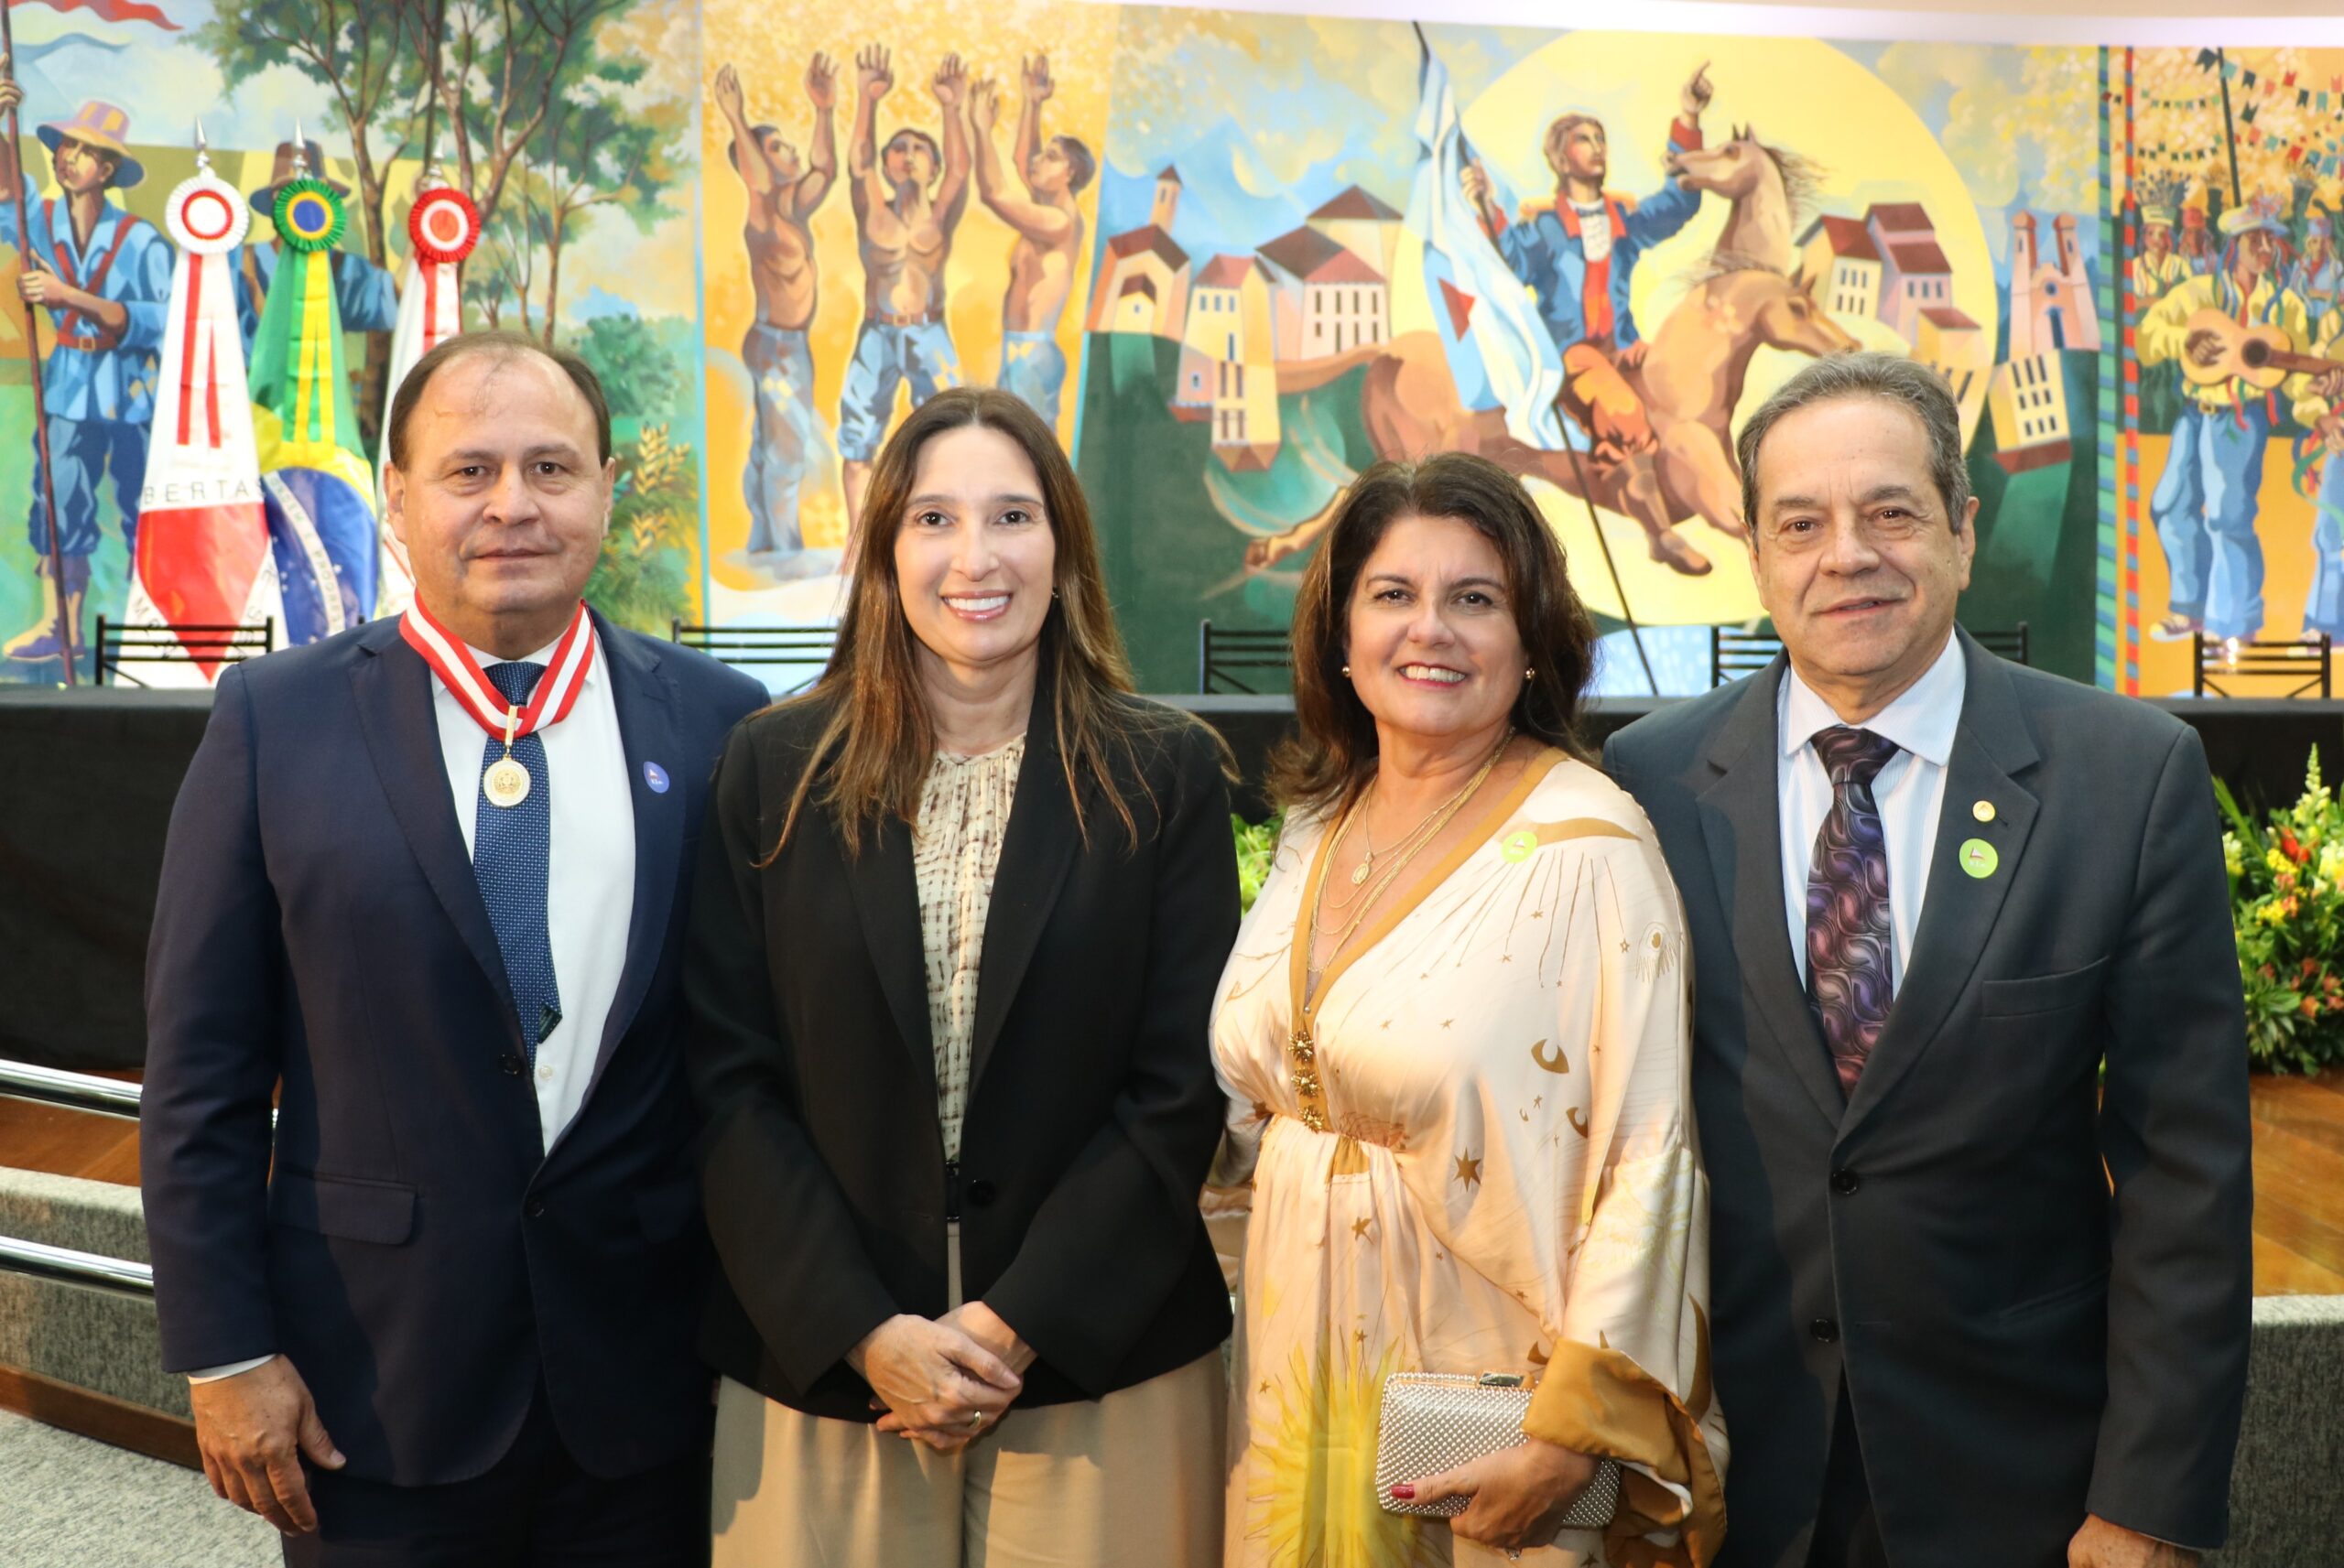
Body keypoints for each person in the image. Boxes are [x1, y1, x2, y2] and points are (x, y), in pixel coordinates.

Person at [1603, 352, 2252, 1568]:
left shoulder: (2126, 775)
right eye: (1801, 522)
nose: (1847, 554)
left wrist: (2150, 1502)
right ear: (1757, 553)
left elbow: (2187, 1173)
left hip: (2023, 1486)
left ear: (1961, 530)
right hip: (1727, 1480)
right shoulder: (1650, 781)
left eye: (1890, 512)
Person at [142, 330, 768, 1565]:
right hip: (369, 1394)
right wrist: (224, 1353)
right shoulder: (276, 722)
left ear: (604, 489)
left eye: (551, 467)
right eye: (469, 470)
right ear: (401, 497)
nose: (512, 506)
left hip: (646, 1396)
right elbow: (199, 1074)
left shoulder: (720, 725)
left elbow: (751, 1056)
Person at [685, 385, 1235, 1565]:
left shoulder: (1164, 774)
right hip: (829, 1368)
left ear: (1064, 547)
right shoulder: (773, 767)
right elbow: (726, 1081)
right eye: (933, 519)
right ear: (884, 550)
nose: (974, 557)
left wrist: (1014, 1322)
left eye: (1012, 517)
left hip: (1102, 1360)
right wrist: (863, 1329)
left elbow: (1176, 1089)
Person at [1213, 452, 1725, 1567]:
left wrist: (1574, 1434)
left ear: (1532, 638)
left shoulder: (1592, 844)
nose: (1428, 630)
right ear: (1341, 638)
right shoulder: (1316, 826)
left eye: (1474, 600)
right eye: (1392, 595)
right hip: (1290, 1367)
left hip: (1487, 1387)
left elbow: (1651, 1157)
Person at [1460, 65, 1712, 574]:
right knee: (1621, 407)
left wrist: (1688, 116)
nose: (1598, 146)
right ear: (1559, 157)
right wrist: (1486, 202)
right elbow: (1509, 257)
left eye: (1600, 138)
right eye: (1583, 139)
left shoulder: (1624, 221)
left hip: (1623, 346)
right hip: (1572, 354)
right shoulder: (1547, 229)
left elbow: (1681, 202)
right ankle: (1659, 533)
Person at [0, 68, 173, 663]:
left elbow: (162, 317)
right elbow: (3, 190)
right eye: (65, 147)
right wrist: (0, 116)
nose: (68, 158)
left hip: (128, 392)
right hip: (69, 388)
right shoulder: (40, 221)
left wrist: (68, 296)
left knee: (140, 508)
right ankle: (62, 628)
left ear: (108, 170)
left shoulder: (140, 240)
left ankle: (150, 626)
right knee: (58, 501)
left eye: (85, 151)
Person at [2137, 198, 2316, 643]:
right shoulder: (2198, 294)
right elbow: (2147, 337)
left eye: (2270, 239)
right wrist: (2187, 339)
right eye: (2255, 238)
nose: (2265, 248)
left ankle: (2235, 625)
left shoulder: (2287, 306)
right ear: (2234, 245)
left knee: (2227, 519)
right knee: (2170, 504)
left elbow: (2295, 378)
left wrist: (2320, 393)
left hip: (2239, 421)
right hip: (2193, 416)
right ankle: (2189, 608)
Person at [838, 45, 973, 541]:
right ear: (889, 164)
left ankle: (944, 530)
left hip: (929, 333)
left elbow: (962, 170)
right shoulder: (873, 207)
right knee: (858, 437)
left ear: (932, 166)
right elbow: (858, 165)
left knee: (954, 435)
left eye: (921, 149)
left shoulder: (939, 215)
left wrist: (953, 108)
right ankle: (856, 542)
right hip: (878, 331)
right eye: (900, 149)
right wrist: (866, 97)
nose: (910, 155)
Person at [714, 57, 840, 567]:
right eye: (778, 147)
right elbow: (754, 177)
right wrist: (737, 119)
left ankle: (765, 540)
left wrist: (824, 110)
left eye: (789, 144)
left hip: (789, 344)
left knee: (773, 443)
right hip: (776, 345)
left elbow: (827, 169)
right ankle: (784, 549)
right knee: (786, 450)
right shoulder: (763, 205)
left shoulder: (795, 205)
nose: (791, 151)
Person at [969, 55, 1091, 429]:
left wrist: (981, 130)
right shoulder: (1047, 210)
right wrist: (1032, 102)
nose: (1040, 161)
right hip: (1018, 350)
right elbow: (1025, 162)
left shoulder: (1058, 222)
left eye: (1052, 158)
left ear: (1070, 173)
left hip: (1032, 355)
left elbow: (994, 193)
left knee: (1026, 461)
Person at [235, 138, 400, 352]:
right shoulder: (238, 261)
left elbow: (394, 297)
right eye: (292, 194)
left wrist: (425, 229)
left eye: (313, 195)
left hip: (320, 384)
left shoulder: (343, 267)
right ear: (276, 200)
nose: (304, 206)